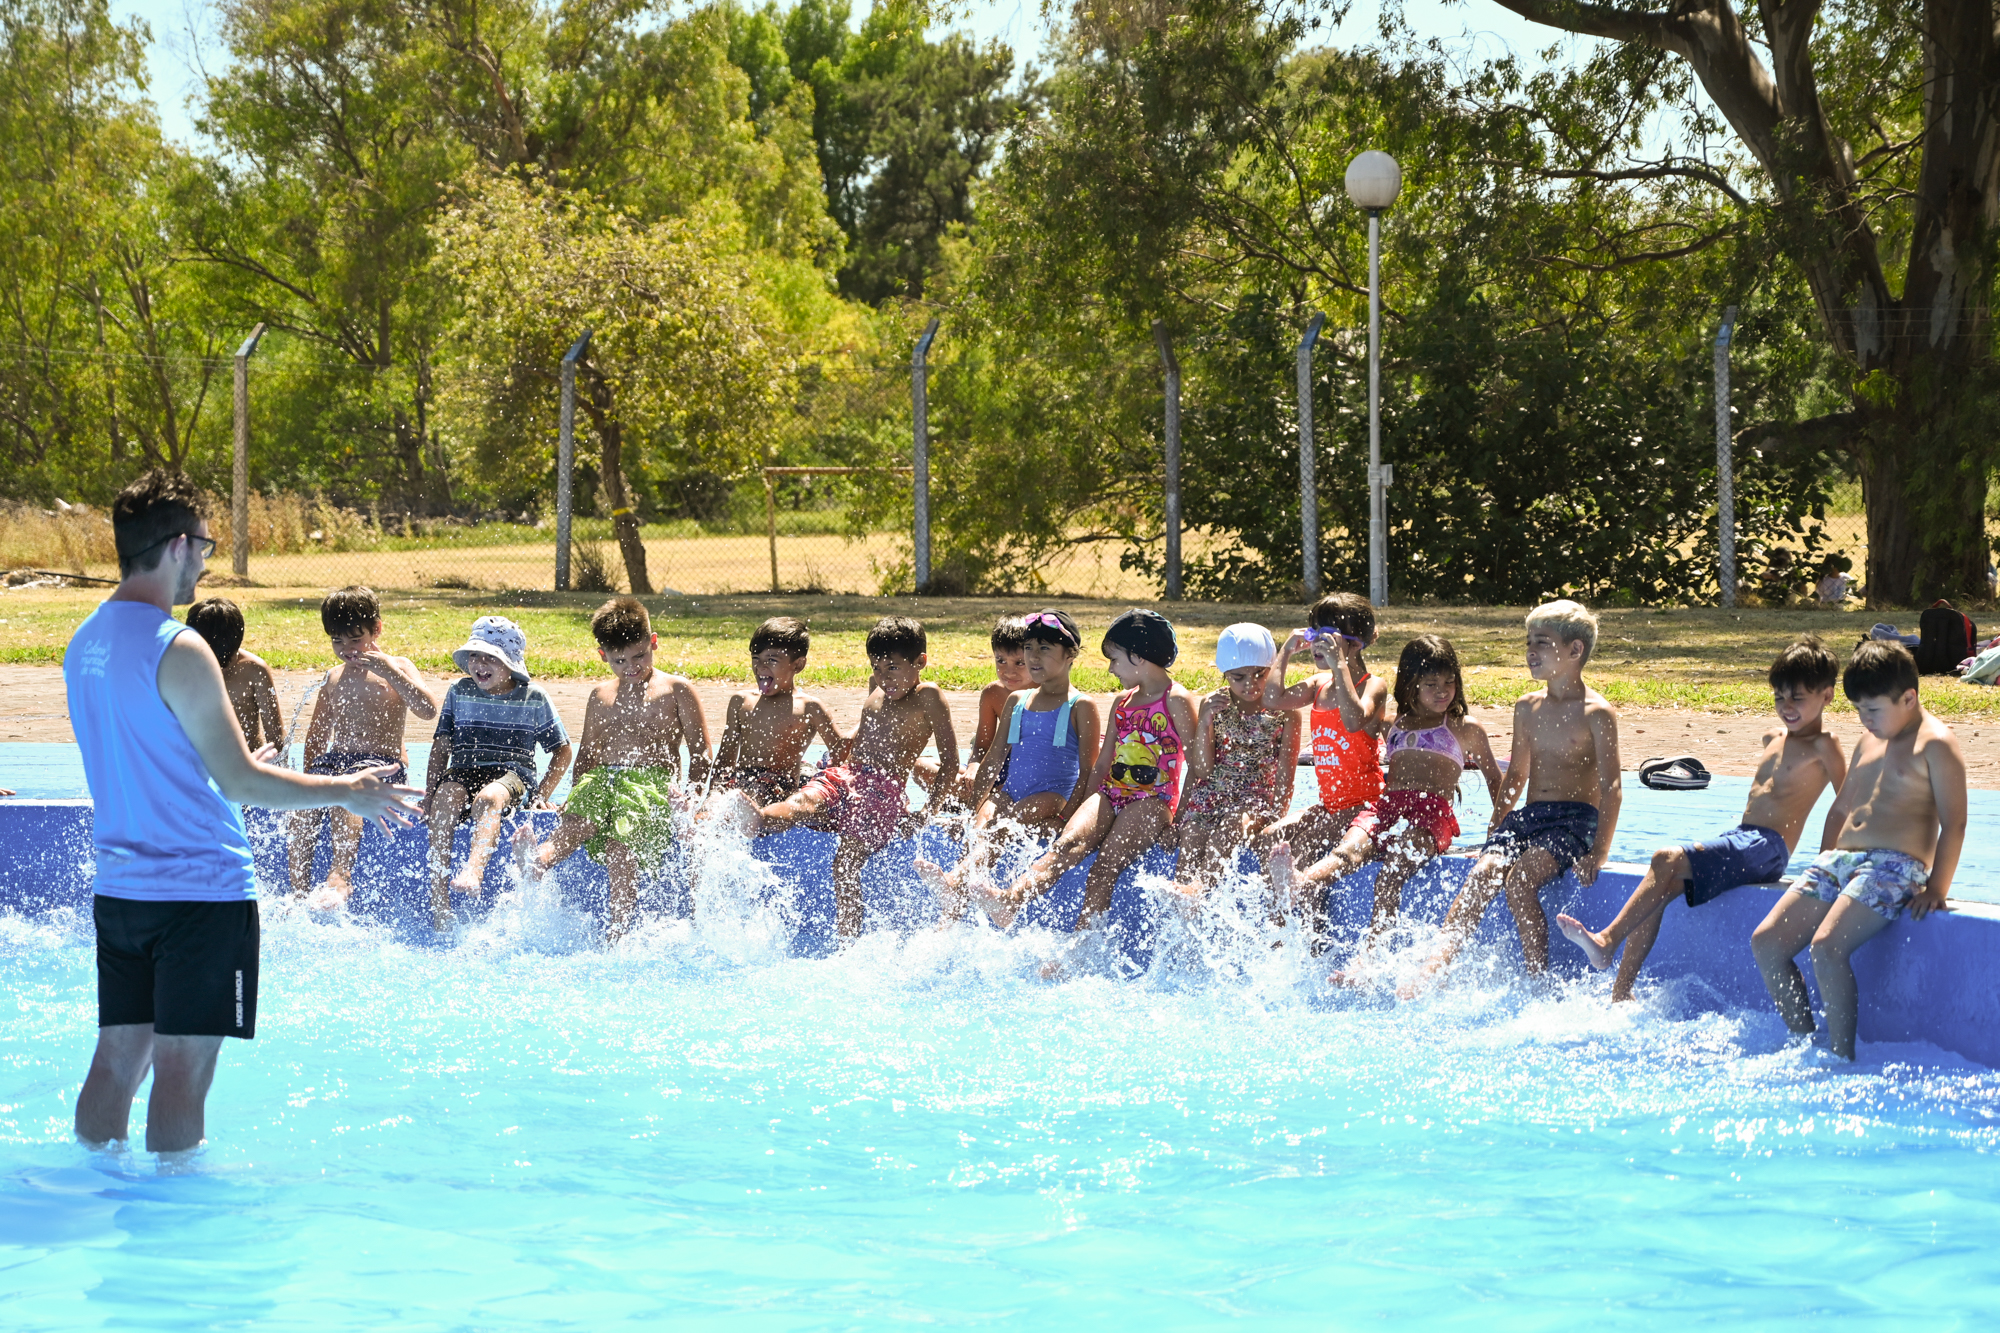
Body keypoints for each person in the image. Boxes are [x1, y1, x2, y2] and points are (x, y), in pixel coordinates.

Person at [67, 471, 418, 1153]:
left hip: (121, 890)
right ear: (176, 545)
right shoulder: (179, 647)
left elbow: (149, 759)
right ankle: (176, 1212)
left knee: (116, 1057)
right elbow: (242, 780)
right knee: (182, 1071)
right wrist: (348, 791)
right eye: (202, 545)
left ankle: (94, 1185)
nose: (204, 561)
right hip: (200, 893)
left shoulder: (86, 642)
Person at [1558, 635, 1847, 1001]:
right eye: (1779, 697)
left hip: (1768, 848)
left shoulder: (1825, 745)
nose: (1786, 707)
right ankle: (1621, 992)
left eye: (1798, 698)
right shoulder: (1773, 737)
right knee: (1659, 890)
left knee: (1665, 859)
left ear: (1827, 696)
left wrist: (1826, 866)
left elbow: (1845, 805)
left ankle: (1606, 941)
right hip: (1743, 837)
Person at [1749, 640, 1968, 1060]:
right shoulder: (1870, 740)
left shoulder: (1935, 743)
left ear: (1908, 698)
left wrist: (1937, 888)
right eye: (1858, 710)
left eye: (1873, 709)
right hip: (1841, 861)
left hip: (1893, 866)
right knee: (1767, 943)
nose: (1865, 719)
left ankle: (1839, 1058)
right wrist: (1822, 860)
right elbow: (1842, 807)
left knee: (1827, 948)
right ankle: (1803, 1044)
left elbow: (1954, 822)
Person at [1402, 600, 1621, 996]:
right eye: (1528, 642)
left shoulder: (1597, 713)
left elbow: (1612, 789)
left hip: (1574, 821)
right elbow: (1517, 775)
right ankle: (1435, 967)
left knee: (1520, 881)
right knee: (1482, 873)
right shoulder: (1527, 706)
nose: (1531, 651)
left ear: (1575, 650)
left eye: (1542, 642)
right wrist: (1495, 829)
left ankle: (1536, 982)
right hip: (1531, 816)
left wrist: (1598, 854)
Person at [1272, 635, 1501, 980]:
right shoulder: (1392, 724)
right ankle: (1299, 882)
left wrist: (1496, 834)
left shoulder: (1465, 728)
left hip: (1431, 816)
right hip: (1386, 808)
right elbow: (1353, 717)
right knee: (1347, 851)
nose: (1442, 691)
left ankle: (1368, 960)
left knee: (1392, 870)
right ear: (1411, 684)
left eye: (1449, 682)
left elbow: (1496, 781)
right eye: (1431, 684)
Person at [719, 616, 958, 940]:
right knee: (803, 801)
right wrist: (838, 748)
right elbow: (864, 733)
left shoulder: (928, 695)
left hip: (882, 792)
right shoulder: (876, 687)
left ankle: (848, 943)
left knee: (844, 865)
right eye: (876, 667)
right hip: (845, 776)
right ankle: (759, 818)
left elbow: (950, 762)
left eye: (893, 668)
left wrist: (927, 811)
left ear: (920, 662)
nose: (884, 677)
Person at [977, 608, 1199, 935]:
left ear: (1138, 657)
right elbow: (1102, 764)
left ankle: (1081, 946)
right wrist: (1077, 812)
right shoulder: (1123, 702)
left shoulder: (1176, 699)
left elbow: (1197, 767)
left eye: (1115, 660)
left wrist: (1178, 821)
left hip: (1152, 800)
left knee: (1102, 869)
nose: (1110, 669)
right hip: (1110, 794)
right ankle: (1011, 901)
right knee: (1066, 845)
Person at [513, 597, 711, 942]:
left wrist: (692, 800)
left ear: (653, 642)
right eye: (619, 660)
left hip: (650, 785)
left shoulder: (676, 690)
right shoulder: (599, 695)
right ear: (603, 655)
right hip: (602, 779)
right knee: (577, 823)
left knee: (621, 843)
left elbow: (701, 752)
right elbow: (588, 754)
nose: (631, 667)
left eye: (639, 656)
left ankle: (617, 931)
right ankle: (538, 861)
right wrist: (573, 794)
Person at [916, 608, 1103, 915]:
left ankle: (960, 884)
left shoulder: (1080, 705)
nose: (1033, 656)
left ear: (1070, 654)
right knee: (980, 827)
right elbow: (993, 759)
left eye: (1044, 648)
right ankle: (953, 911)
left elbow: (1089, 771)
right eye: (1029, 647)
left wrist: (1065, 818)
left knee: (1006, 824)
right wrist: (974, 808)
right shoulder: (1017, 701)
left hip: (1053, 796)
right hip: (1011, 791)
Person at [286, 586, 438, 909]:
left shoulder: (399, 666)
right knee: (302, 801)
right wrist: (307, 778)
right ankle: (298, 892)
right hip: (338, 761)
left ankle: (340, 878)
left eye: (355, 640)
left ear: (377, 629)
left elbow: (427, 710)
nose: (347, 650)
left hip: (382, 765)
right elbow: (316, 735)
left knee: (347, 789)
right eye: (337, 641)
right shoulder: (333, 677)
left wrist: (390, 672)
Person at [425, 616, 572, 930]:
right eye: (475, 656)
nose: (480, 664)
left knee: (490, 797)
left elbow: (563, 751)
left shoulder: (533, 697)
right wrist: (429, 794)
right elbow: (441, 746)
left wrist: (541, 794)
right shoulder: (459, 691)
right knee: (445, 796)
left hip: (512, 774)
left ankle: (474, 870)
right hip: (463, 770)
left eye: (491, 658)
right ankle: (439, 900)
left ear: (511, 664)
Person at [1254, 594, 1390, 876]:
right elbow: (1272, 699)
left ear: (1354, 644)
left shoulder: (1373, 686)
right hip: (1330, 805)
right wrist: (1286, 651)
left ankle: (1299, 902)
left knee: (1303, 846)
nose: (1316, 643)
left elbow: (1353, 721)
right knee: (1266, 838)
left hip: (1365, 805)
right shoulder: (1319, 684)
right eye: (1313, 633)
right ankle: (1277, 904)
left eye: (1326, 636)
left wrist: (1339, 665)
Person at [1172, 623, 1301, 901]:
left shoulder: (1285, 711)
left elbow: (1286, 774)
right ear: (1224, 673)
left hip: (1255, 800)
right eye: (1239, 677)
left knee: (1231, 824)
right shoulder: (1214, 705)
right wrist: (1205, 721)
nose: (1250, 684)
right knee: (1192, 834)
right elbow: (1202, 770)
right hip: (1211, 796)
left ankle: (1200, 888)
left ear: (1272, 669)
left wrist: (1277, 819)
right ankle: (1183, 910)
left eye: (1260, 675)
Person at [706, 616, 843, 810]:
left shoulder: (809, 708)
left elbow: (841, 753)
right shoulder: (741, 701)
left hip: (778, 786)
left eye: (771, 660)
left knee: (756, 792)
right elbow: (725, 757)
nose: (760, 667)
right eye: (756, 658)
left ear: (798, 665)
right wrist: (712, 795)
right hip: (740, 780)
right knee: (714, 805)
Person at [916, 615, 1031, 807]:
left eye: (1019, 663)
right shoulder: (992, 693)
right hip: (995, 769)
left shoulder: (1045, 695)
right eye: (1001, 660)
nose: (1009, 671)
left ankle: (984, 801)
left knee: (1015, 792)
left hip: (1028, 775)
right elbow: (981, 746)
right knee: (921, 767)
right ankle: (985, 800)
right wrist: (974, 767)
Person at [185, 597, 282, 752]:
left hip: (247, 758)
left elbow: (276, 737)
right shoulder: (182, 669)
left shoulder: (254, 670)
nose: (219, 669)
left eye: (226, 661)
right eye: (209, 659)